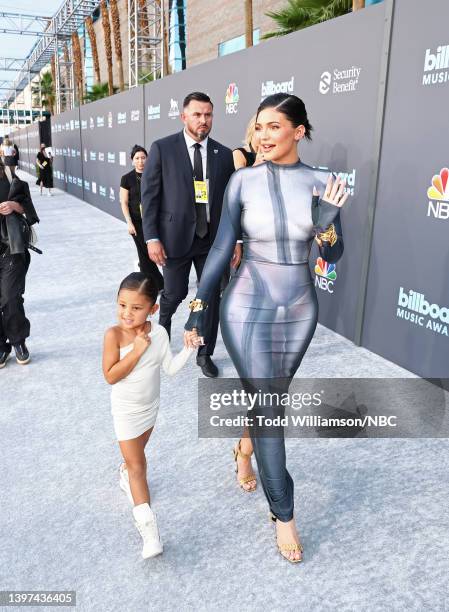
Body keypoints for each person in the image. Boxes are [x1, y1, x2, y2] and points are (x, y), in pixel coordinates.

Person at [184, 93, 349, 563]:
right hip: (246, 302)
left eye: (274, 126)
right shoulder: (241, 181)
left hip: (298, 307)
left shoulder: (323, 182)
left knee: (267, 398)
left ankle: (243, 446)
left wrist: (327, 224)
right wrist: (198, 308)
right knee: (273, 406)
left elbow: (333, 255)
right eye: (259, 127)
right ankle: (284, 514)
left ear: (298, 131)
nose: (264, 135)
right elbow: (220, 251)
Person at [141, 91, 241, 378]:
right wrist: (152, 238)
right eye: (197, 114)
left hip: (213, 242)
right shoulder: (163, 148)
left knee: (210, 297)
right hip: (174, 240)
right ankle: (160, 342)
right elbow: (150, 197)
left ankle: (204, 353)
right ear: (183, 116)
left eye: (208, 115)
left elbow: (229, 202)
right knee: (174, 294)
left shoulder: (223, 154)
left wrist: (235, 240)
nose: (203, 120)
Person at [102, 272, 200, 559]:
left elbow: (169, 368)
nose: (127, 313)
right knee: (138, 467)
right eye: (122, 305)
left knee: (135, 459)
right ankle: (149, 533)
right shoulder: (114, 335)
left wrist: (189, 349)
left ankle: (124, 472)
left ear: (152, 309)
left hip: (150, 409)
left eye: (136, 307)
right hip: (126, 411)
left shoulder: (158, 333)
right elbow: (110, 375)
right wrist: (136, 351)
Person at [0, 161, 39, 367]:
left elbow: (29, 208)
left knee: (10, 297)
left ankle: (18, 342)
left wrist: (14, 206)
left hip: (11, 248)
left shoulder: (9, 178)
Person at [120, 145, 164, 292]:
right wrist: (129, 223)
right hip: (137, 224)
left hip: (155, 221)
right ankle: (157, 285)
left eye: (143, 158)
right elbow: (124, 202)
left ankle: (156, 284)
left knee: (151, 254)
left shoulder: (155, 175)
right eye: (137, 158)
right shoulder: (126, 179)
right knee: (144, 255)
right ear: (132, 160)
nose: (140, 161)